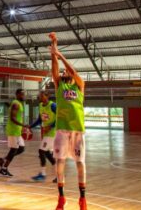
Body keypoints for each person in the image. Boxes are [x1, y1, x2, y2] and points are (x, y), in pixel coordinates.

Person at [50, 32, 87, 210]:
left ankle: (82, 199)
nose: (64, 73)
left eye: (67, 72)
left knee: (80, 163)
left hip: (78, 131)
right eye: (63, 72)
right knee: (60, 162)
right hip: (62, 129)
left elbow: (72, 71)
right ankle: (61, 197)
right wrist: (53, 50)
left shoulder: (79, 85)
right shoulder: (60, 85)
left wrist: (61, 55)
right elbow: (55, 69)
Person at [28, 90, 57, 182]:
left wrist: (50, 126)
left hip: (53, 133)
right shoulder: (40, 106)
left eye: (41, 95)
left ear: (47, 96)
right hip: (46, 133)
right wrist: (30, 126)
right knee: (48, 155)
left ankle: (43, 175)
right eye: (39, 96)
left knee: (41, 151)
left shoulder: (53, 106)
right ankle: (59, 175)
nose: (39, 97)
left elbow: (60, 117)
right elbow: (39, 120)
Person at [0, 88, 26, 177]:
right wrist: (23, 125)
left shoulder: (18, 104)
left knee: (21, 149)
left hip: (17, 130)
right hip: (13, 130)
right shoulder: (16, 104)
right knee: (14, 149)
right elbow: (12, 118)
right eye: (21, 94)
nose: (23, 96)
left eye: (24, 94)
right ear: (17, 94)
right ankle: (4, 169)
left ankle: (3, 159)